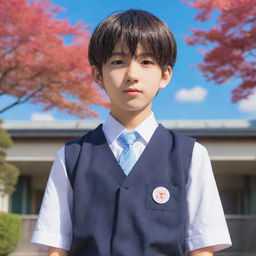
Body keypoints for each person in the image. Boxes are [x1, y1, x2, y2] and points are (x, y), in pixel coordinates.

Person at [31, 9, 232, 256]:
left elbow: (202, 248)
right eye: (118, 62)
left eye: (146, 62)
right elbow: (57, 248)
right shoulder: (72, 156)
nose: (132, 75)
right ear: (98, 74)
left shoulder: (190, 155)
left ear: (165, 75)